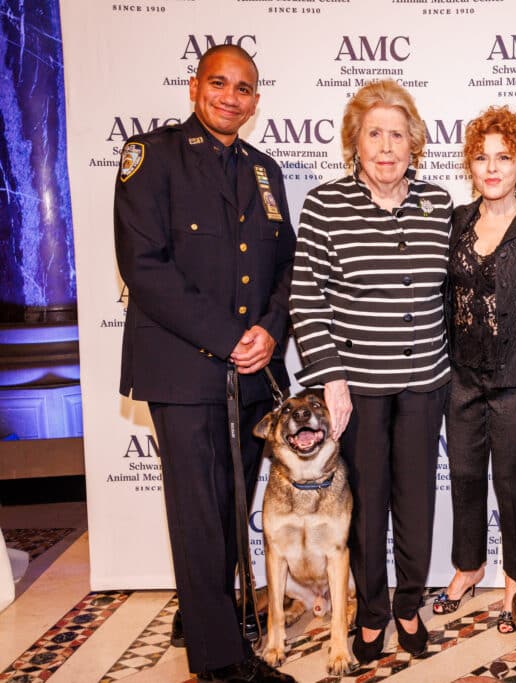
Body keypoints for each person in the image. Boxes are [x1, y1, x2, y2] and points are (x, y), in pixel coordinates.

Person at [114, 44, 296, 683]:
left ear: (255, 100)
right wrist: (230, 336)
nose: (230, 96)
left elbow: (285, 268)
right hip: (184, 369)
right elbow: (147, 268)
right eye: (219, 83)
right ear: (195, 88)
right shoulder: (152, 156)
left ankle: (201, 611)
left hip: (250, 372)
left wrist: (270, 332)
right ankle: (220, 662)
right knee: (197, 508)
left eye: (244, 88)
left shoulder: (264, 169)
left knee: (230, 504)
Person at [289, 79, 452, 665]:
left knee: (415, 504)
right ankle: (372, 611)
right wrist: (331, 377)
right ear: (354, 142)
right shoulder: (326, 204)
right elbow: (307, 297)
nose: (387, 146)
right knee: (365, 507)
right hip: (354, 391)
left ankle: (409, 606)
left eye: (398, 134)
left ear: (415, 143)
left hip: (424, 383)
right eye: (374, 133)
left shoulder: (438, 205)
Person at [432, 106, 516, 634]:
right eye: (481, 158)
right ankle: (469, 567)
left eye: (504, 158)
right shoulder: (454, 223)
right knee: (465, 481)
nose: (491, 168)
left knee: (515, 488)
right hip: (460, 382)